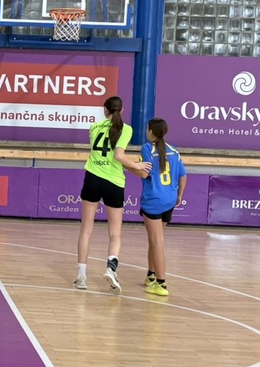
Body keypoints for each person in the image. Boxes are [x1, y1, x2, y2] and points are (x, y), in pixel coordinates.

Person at [75, 95, 151, 292]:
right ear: (122, 110)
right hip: (113, 181)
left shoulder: (94, 127)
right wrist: (137, 165)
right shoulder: (125, 129)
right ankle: (111, 268)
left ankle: (81, 276)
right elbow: (118, 156)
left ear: (105, 110)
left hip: (92, 178)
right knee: (115, 233)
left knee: (86, 230)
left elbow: (104, 152)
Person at [139, 118, 186, 297]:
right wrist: (179, 195)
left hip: (153, 200)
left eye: (147, 128)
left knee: (156, 241)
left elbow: (144, 173)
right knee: (155, 239)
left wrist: (128, 165)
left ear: (151, 131)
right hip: (169, 200)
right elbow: (183, 175)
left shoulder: (146, 148)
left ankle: (161, 282)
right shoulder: (174, 150)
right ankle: (151, 275)